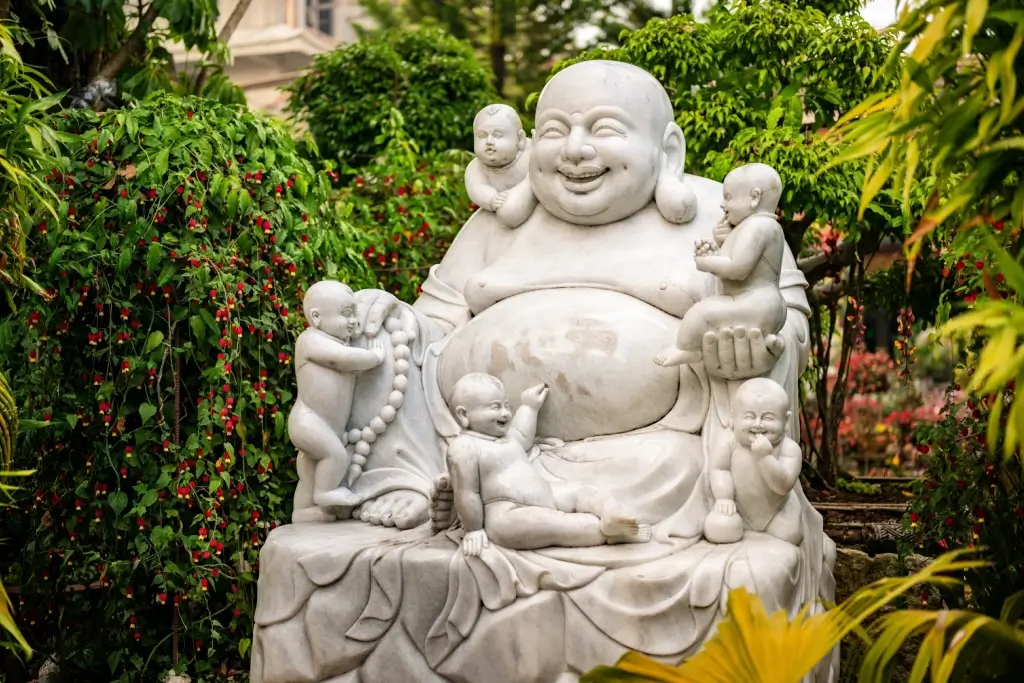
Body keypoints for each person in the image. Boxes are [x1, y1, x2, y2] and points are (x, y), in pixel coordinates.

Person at [447, 373, 651, 554]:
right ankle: (607, 533)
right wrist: (474, 530)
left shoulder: (506, 438)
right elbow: (466, 493)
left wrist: (529, 406)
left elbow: (521, 435)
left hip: (547, 495)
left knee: (583, 491)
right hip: (507, 513)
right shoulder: (464, 447)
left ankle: (612, 514)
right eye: (495, 407)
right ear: (464, 415)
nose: (505, 413)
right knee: (558, 525)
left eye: (506, 405)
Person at [655, 163, 787, 368]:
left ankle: (686, 349)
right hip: (762, 304)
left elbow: (737, 268)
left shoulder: (759, 226)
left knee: (701, 313)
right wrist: (720, 244)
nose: (722, 205)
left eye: (728, 198)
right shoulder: (755, 226)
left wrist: (705, 263)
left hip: (757, 304)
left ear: (754, 197)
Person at [287, 281, 385, 520]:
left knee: (309, 471)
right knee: (335, 456)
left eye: (355, 314)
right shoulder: (310, 341)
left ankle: (304, 511)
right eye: (346, 314)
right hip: (308, 421)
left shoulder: (339, 340)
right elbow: (341, 359)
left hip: (325, 425)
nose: (353, 321)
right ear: (317, 317)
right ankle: (326, 491)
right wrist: (374, 356)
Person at [704, 378, 804, 546]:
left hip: (778, 509)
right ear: (732, 417)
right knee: (719, 528)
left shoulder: (790, 449)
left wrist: (765, 458)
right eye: (749, 416)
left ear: (786, 421)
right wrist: (724, 498)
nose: (758, 424)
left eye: (768, 417)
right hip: (737, 508)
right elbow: (719, 470)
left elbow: (783, 486)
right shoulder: (728, 442)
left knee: (791, 534)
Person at [464, 104, 538, 228]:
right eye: (482, 135)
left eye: (497, 135)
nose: (489, 141)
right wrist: (491, 198)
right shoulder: (476, 168)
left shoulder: (530, 152)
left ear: (520, 139)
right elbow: (476, 187)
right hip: (499, 217)